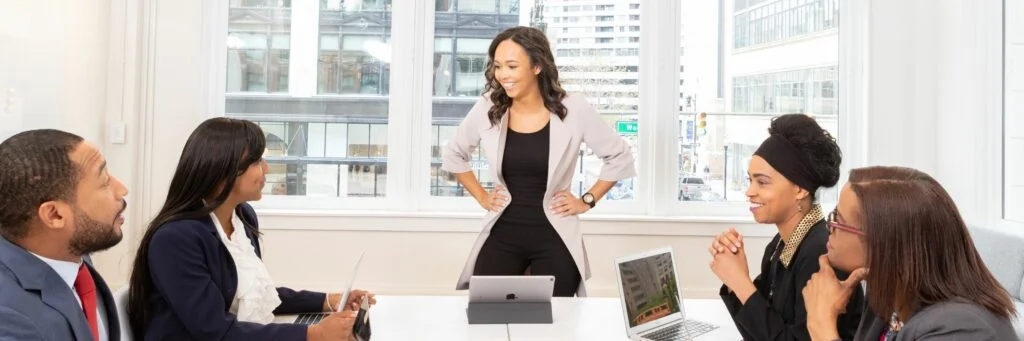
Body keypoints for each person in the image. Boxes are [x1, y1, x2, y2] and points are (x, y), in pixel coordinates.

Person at [127, 118, 375, 341]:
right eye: (257, 161)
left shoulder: (242, 216)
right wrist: (313, 334)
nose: (266, 169)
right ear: (223, 171)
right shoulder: (175, 239)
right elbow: (215, 331)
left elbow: (255, 294)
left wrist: (326, 301)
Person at [443, 26, 636, 297]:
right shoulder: (489, 107)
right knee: (488, 317)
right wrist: (483, 198)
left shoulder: (573, 108)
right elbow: (454, 154)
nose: (503, 75)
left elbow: (619, 156)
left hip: (555, 237)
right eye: (498, 66)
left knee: (556, 324)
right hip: (503, 234)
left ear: (537, 66)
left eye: (512, 66)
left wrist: (587, 200)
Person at [803, 166, 1018, 340]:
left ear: (884, 243)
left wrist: (821, 325)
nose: (829, 227)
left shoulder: (963, 329)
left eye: (839, 221)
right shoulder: (885, 297)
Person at [708, 114, 864, 340]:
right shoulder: (779, 245)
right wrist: (735, 277)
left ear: (800, 189)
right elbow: (758, 331)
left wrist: (740, 283)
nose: (749, 191)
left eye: (762, 182)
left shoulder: (821, 254)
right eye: (749, 180)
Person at [0, 129, 129, 340]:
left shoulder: (71, 254)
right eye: (104, 181)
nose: (121, 189)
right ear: (55, 215)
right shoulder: (11, 322)